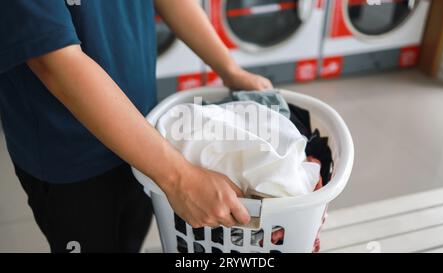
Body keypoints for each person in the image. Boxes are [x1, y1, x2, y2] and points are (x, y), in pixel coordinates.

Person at [0, 0, 273, 252]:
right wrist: (179, 178)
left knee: (129, 240)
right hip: (70, 156)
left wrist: (229, 70)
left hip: (144, 132)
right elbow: (55, 62)